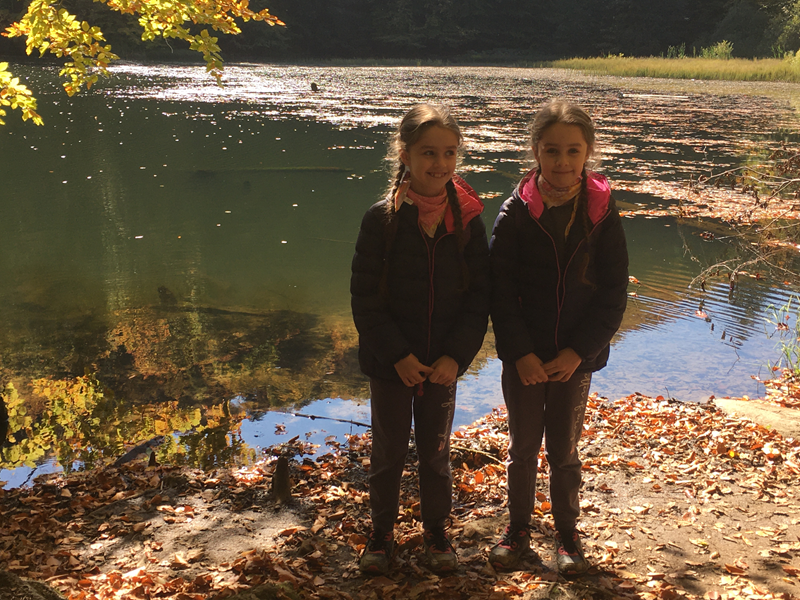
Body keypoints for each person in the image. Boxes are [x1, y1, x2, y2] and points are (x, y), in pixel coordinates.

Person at [487, 100, 629, 576]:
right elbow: (499, 292)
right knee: (522, 448)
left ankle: (567, 534)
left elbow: (613, 293)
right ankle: (518, 529)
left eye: (573, 151)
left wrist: (578, 352)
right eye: (552, 151)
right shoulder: (515, 212)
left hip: (575, 358)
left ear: (588, 152)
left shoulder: (602, 213)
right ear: (536, 152)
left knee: (564, 451)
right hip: (524, 359)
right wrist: (520, 354)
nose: (563, 161)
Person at [350, 104, 490, 575]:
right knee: (388, 451)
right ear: (405, 154)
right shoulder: (382, 220)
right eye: (429, 152)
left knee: (435, 453)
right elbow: (365, 299)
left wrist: (456, 357)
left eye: (449, 153)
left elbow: (480, 299)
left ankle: (436, 532)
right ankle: (381, 534)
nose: (440, 163)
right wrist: (398, 356)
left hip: (443, 365)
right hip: (391, 365)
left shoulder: (468, 220)